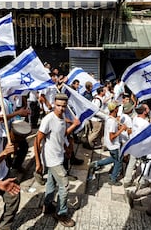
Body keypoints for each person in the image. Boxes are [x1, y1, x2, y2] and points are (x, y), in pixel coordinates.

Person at [34, 93, 80, 227]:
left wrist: (66, 147)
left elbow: (62, 134)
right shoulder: (48, 119)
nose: (61, 108)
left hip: (59, 156)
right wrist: (38, 163)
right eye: (58, 105)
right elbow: (37, 141)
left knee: (51, 183)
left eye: (64, 106)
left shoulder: (63, 117)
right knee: (65, 185)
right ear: (54, 103)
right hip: (51, 159)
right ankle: (61, 213)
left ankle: (47, 206)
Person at [89, 101, 127, 186]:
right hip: (114, 145)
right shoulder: (112, 121)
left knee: (113, 158)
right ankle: (113, 179)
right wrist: (121, 129)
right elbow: (112, 137)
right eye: (117, 108)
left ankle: (96, 164)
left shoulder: (109, 118)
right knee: (118, 162)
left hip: (110, 145)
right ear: (115, 109)